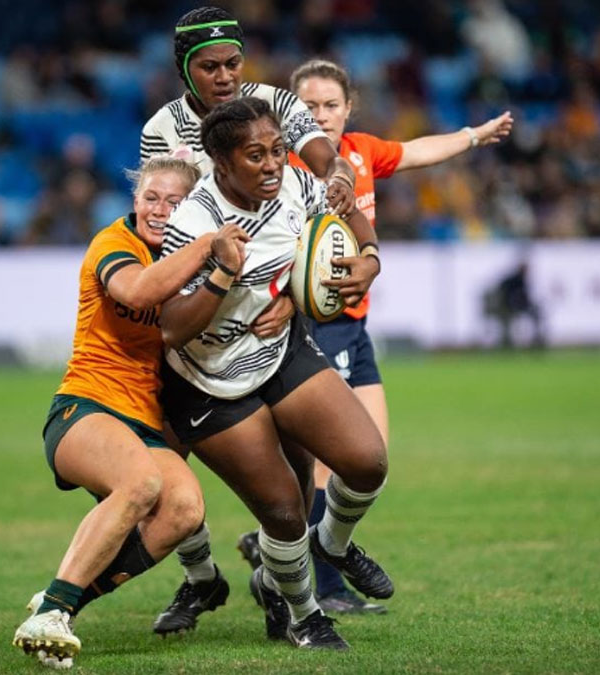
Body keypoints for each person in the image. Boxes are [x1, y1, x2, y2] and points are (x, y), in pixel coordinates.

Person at [237, 58, 514, 614]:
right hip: (316, 326)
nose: (321, 115)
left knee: (371, 462)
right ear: (290, 112)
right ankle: (323, 586)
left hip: (355, 326)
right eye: (309, 106)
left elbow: (414, 151)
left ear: (349, 108)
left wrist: (472, 136)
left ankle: (272, 548)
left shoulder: (360, 152)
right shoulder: (285, 166)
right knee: (330, 464)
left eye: (331, 105)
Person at [12, 156, 282, 668]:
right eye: (150, 198)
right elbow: (136, 291)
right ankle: (52, 610)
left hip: (145, 423)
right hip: (85, 406)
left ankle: (60, 608)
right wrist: (209, 244)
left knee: (183, 509)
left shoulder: (200, 265)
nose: (158, 210)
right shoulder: (114, 242)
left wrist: (285, 302)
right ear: (134, 201)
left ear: (192, 208)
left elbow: (255, 298)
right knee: (141, 484)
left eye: (173, 202)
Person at [158, 97, 390, 650]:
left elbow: (347, 211)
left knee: (367, 461)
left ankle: (331, 544)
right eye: (255, 155)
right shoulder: (194, 222)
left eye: (278, 150)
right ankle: (305, 616)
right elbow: (171, 328)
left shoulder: (295, 184)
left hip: (279, 351)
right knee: (284, 512)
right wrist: (222, 275)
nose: (272, 165)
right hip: (210, 379)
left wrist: (370, 259)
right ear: (221, 163)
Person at [141, 6, 357, 217]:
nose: (224, 77)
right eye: (209, 67)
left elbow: (330, 163)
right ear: (184, 69)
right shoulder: (160, 129)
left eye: (232, 64)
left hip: (282, 232)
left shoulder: (278, 104)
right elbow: (162, 212)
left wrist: (340, 180)